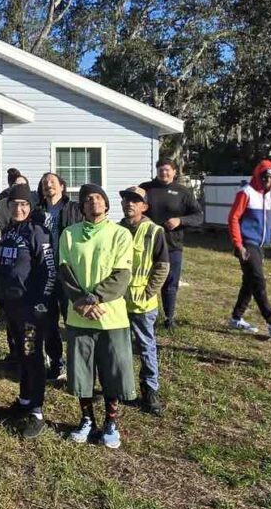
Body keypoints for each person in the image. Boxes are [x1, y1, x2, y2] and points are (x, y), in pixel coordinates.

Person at [58, 183, 136, 448]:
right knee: (82, 373)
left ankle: (111, 422)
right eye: (88, 199)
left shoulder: (120, 234)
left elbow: (122, 274)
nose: (93, 202)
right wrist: (80, 301)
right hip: (79, 316)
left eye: (98, 198)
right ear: (81, 206)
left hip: (110, 316)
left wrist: (93, 299)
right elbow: (65, 271)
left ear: (106, 204)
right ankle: (87, 419)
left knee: (112, 372)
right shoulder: (69, 234)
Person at [0, 181, 56, 439]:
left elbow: (49, 270)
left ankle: (37, 411)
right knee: (20, 354)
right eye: (14, 204)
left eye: (23, 204)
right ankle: (24, 399)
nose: (18, 208)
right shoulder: (8, 231)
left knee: (32, 356)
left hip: (31, 307)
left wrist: (41, 301)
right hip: (11, 307)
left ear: (30, 206)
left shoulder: (37, 232)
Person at [226, 160, 271, 336]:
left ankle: (236, 318)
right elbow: (233, 218)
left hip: (259, 245)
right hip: (247, 244)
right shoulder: (246, 192)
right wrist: (238, 245)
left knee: (249, 282)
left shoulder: (266, 194)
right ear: (257, 175)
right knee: (258, 282)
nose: (268, 180)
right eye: (264, 176)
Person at [118, 186, 169, 415]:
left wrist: (149, 291)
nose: (130, 203)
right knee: (120, 348)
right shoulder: (116, 230)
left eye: (135, 201)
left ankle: (150, 390)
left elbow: (162, 265)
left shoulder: (154, 231)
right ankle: (124, 388)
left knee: (146, 347)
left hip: (142, 304)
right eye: (127, 200)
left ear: (144, 207)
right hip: (117, 302)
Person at [141, 158, 203, 331]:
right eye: (160, 169)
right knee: (144, 280)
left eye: (167, 170)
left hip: (172, 245)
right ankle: (143, 315)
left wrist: (180, 220)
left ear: (175, 172)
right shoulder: (146, 188)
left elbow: (198, 216)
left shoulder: (183, 192)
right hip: (147, 243)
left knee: (170, 283)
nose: (164, 173)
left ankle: (169, 318)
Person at [32, 172, 82, 383]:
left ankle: (77, 365)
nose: (48, 185)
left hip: (68, 272)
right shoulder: (37, 212)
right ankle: (56, 362)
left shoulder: (73, 209)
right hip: (45, 273)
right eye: (44, 183)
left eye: (52, 182)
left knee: (72, 321)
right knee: (49, 322)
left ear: (62, 186)